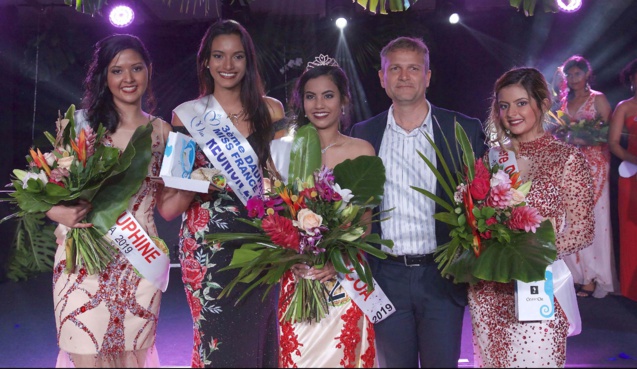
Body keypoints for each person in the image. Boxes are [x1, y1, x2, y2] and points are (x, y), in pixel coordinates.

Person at [349, 36, 487, 368]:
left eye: (414, 68)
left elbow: (486, 202)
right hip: (386, 276)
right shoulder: (363, 134)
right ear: (382, 78)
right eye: (394, 68)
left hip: (443, 275)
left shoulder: (462, 130)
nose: (404, 76)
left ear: (427, 76)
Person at [156, 19, 285, 368]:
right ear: (206, 63)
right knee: (217, 346)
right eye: (219, 56)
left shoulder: (271, 110)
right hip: (208, 250)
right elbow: (169, 207)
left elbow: (284, 184)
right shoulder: (185, 116)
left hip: (262, 245)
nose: (228, 66)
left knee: (259, 344)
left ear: (248, 62)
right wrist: (203, 178)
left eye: (237, 57)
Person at [45, 34, 172, 367]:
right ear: (104, 76)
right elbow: (44, 191)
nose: (128, 79)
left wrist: (201, 180)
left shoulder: (164, 132)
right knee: (85, 353)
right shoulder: (82, 127)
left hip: (140, 264)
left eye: (136, 68)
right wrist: (58, 211)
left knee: (133, 359)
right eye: (117, 71)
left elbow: (170, 205)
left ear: (149, 71)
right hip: (82, 263)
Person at [472, 67, 595, 367]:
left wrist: (532, 253)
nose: (511, 113)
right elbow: (476, 218)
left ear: (543, 103)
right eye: (504, 105)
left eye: (521, 103)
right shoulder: (491, 158)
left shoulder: (567, 159)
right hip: (489, 291)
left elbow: (583, 229)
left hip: (538, 285)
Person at [274, 56, 377, 368]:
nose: (319, 104)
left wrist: (336, 260)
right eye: (310, 96)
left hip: (345, 279)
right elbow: (274, 219)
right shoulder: (283, 150)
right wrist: (291, 256)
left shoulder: (362, 150)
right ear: (301, 102)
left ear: (343, 100)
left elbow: (365, 225)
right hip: (298, 277)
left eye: (328, 95)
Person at [558, 55, 617, 298]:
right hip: (570, 166)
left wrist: (584, 139)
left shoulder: (598, 99)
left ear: (587, 75)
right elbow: (559, 132)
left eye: (577, 74)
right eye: (569, 75)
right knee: (569, 219)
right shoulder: (564, 102)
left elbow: (609, 134)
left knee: (593, 220)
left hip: (595, 165)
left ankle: (592, 277)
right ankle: (574, 274)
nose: (573, 79)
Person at [609, 58, 637, 302]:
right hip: (632, 175)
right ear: (631, 79)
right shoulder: (625, 107)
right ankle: (631, 290)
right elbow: (613, 143)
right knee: (632, 234)